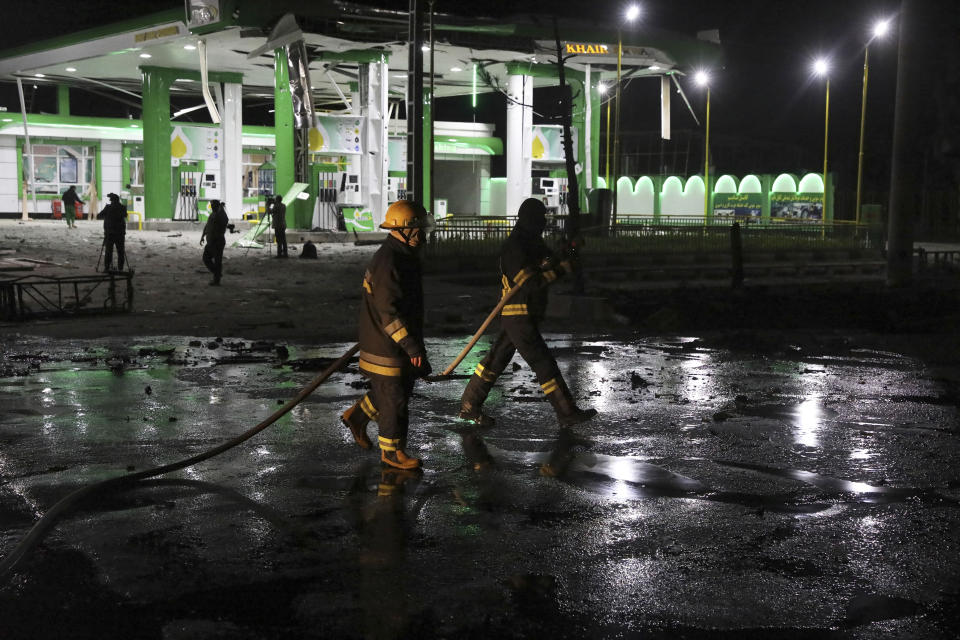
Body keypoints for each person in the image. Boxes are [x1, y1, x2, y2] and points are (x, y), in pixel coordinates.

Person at [457, 198, 597, 428]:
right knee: (543, 363)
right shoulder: (516, 247)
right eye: (540, 218)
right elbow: (531, 283)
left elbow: (548, 262)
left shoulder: (531, 242)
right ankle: (566, 412)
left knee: (494, 361)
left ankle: (470, 406)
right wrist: (562, 270)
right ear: (530, 219)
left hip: (520, 315)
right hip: (518, 315)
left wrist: (568, 250)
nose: (543, 223)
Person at [341, 200, 432, 470]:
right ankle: (392, 453)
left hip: (387, 343)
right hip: (387, 348)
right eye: (419, 229)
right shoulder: (390, 261)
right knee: (395, 398)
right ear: (404, 229)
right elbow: (389, 314)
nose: (423, 235)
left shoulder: (400, 255)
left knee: (394, 390)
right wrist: (412, 347)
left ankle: (357, 416)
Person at [200, 199, 229, 286]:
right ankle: (217, 273)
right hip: (211, 241)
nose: (212, 208)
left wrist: (222, 209)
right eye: (211, 206)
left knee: (217, 260)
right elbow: (207, 225)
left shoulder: (221, 215)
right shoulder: (213, 214)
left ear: (217, 206)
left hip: (218, 241)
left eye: (213, 206)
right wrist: (203, 236)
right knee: (206, 258)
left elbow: (225, 222)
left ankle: (217, 278)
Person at [98, 193, 127, 272]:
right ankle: (120, 268)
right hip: (120, 233)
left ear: (112, 200)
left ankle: (107, 267)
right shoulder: (122, 207)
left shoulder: (108, 208)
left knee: (108, 251)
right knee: (120, 251)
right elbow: (125, 215)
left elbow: (99, 215)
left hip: (109, 233)